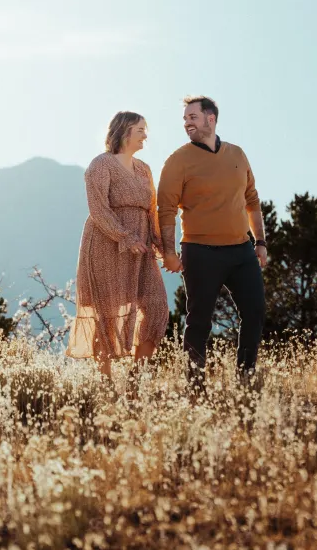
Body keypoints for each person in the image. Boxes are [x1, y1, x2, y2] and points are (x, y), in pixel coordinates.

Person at [157, 96, 268, 386]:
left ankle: (245, 378)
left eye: (192, 117)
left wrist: (260, 242)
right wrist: (168, 252)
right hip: (200, 252)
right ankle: (195, 385)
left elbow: (252, 199)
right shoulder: (178, 160)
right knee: (199, 321)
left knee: (255, 311)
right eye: (184, 119)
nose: (186, 123)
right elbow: (165, 209)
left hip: (242, 251)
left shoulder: (237, 154)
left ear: (211, 118)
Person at [67, 112, 170, 377]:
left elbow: (152, 209)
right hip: (106, 244)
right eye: (140, 130)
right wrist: (125, 236)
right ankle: (106, 382)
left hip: (141, 247)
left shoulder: (144, 168)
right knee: (107, 315)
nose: (145, 135)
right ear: (124, 131)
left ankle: (136, 378)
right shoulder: (101, 164)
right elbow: (98, 208)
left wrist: (161, 245)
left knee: (157, 306)